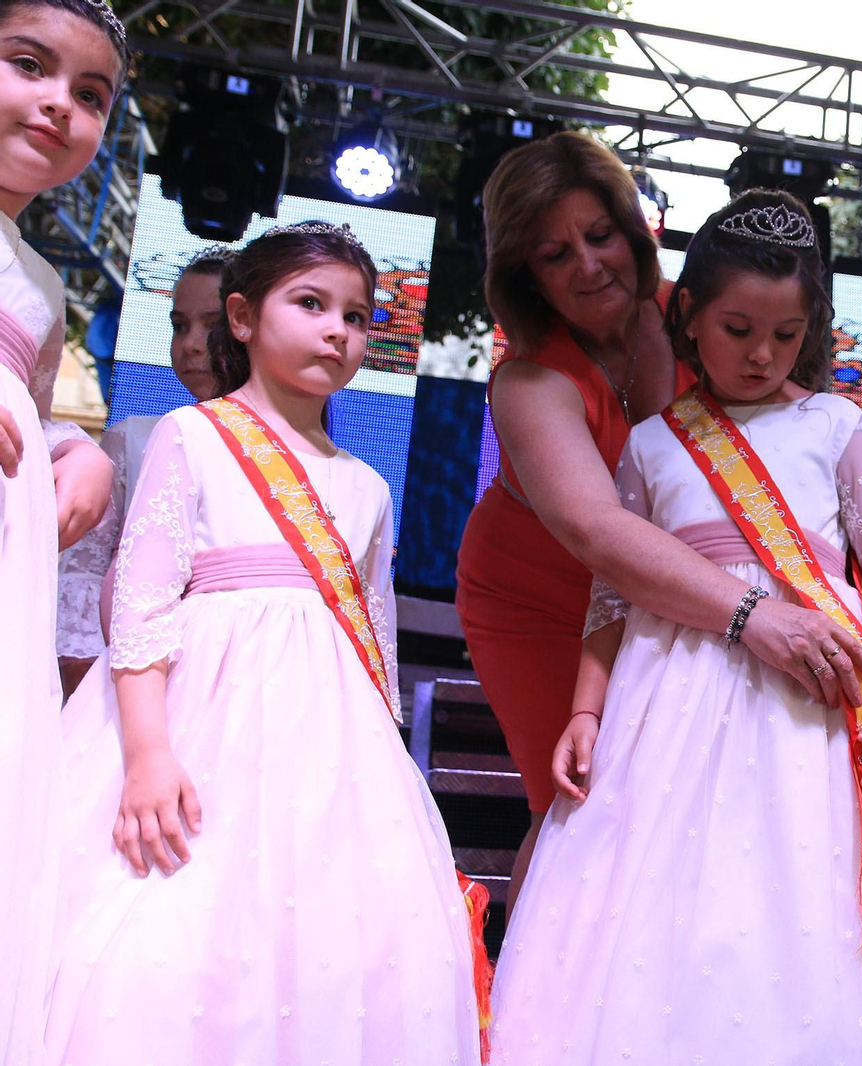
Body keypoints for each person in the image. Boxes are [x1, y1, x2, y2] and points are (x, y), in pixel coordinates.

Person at [485, 191, 862, 1064]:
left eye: (785, 335)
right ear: (688, 317)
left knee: (801, 899)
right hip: (667, 693)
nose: (761, 353)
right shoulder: (651, 443)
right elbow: (612, 592)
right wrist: (588, 710)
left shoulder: (836, 424)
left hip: (814, 709)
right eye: (738, 327)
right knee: (669, 894)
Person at [45, 223, 481, 1064]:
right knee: (167, 926)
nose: (337, 331)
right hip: (196, 719)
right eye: (311, 304)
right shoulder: (193, 435)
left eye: (357, 317)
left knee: (326, 944)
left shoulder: (364, 486)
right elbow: (140, 605)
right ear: (241, 318)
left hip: (331, 752)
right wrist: (145, 754)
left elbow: (375, 642)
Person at [455, 134, 862, 911]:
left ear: (636, 228)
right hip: (545, 600)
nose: (587, 264)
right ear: (523, 273)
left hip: (698, 596)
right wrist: (754, 615)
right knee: (581, 809)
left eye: (600, 234)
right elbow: (598, 533)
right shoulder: (528, 379)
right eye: (554, 253)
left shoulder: (710, 309)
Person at [0, 2, 123, 1060]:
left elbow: (30, 410)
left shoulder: (39, 283)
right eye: (28, 65)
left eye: (90, 96)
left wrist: (77, 450)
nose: (59, 105)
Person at [57, 245, 228, 692]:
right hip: (127, 685)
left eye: (213, 325)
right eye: (179, 325)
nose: (191, 343)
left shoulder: (290, 459)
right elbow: (84, 580)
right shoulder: (134, 439)